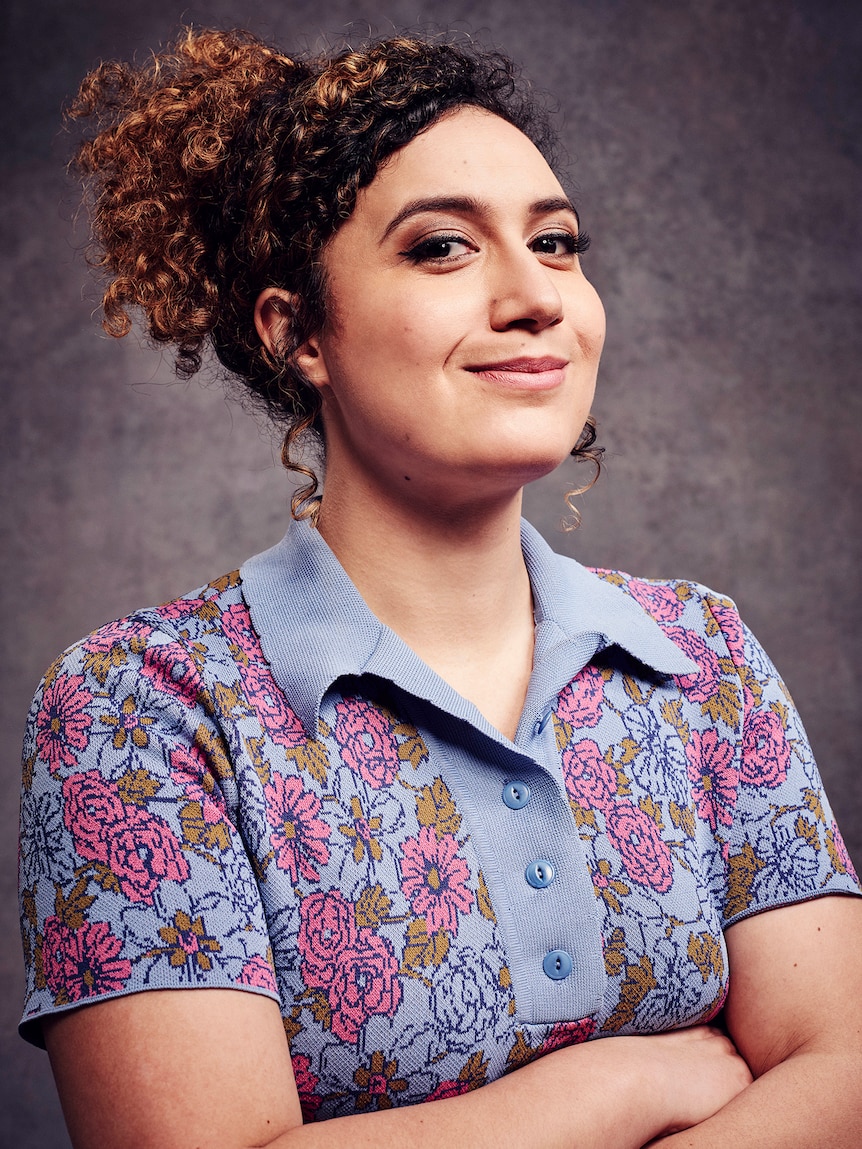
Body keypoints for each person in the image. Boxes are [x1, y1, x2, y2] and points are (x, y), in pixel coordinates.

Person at [18, 27, 862, 1149]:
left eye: (556, 243)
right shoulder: (140, 707)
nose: (536, 297)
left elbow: (845, 1071)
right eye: (441, 249)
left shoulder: (698, 651)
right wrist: (614, 1090)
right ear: (298, 333)